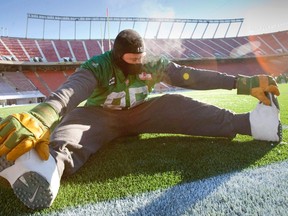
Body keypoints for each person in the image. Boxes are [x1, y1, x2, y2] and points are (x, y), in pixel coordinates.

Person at [0, 29, 281, 210]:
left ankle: (252, 124)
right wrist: (41, 115)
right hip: (98, 116)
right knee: (71, 130)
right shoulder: (98, 65)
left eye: (141, 59)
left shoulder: (154, 64)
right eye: (131, 60)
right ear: (117, 57)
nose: (138, 64)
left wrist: (241, 83)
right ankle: (43, 170)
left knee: (175, 104)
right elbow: (70, 92)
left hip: (141, 113)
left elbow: (192, 77)